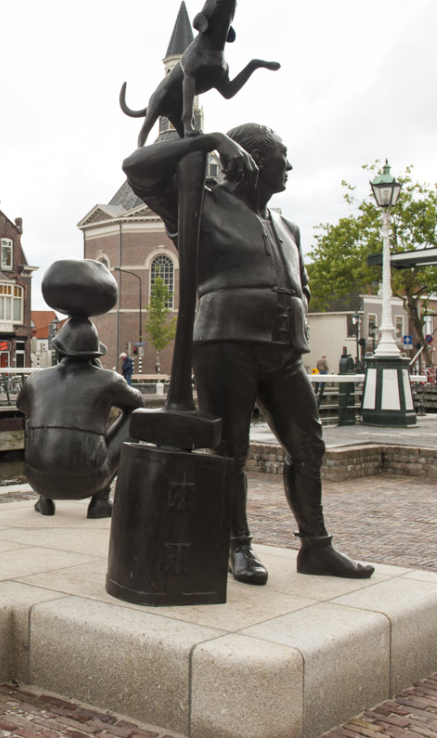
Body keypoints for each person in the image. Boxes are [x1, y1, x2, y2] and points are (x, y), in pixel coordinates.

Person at [122, 122, 373, 586]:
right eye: (282, 155)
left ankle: (316, 546)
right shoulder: (200, 202)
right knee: (229, 450)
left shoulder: (287, 226)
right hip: (225, 343)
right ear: (253, 160)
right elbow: (136, 168)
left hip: (283, 350)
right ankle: (237, 546)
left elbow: (300, 285)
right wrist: (210, 139)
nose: (290, 165)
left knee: (309, 445)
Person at [18, 319, 143, 518]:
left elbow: (23, 407)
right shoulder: (109, 379)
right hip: (89, 480)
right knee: (137, 417)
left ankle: (44, 499)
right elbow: (137, 403)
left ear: (59, 351)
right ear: (95, 354)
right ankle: (100, 499)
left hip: (38, 480)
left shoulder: (35, 378)